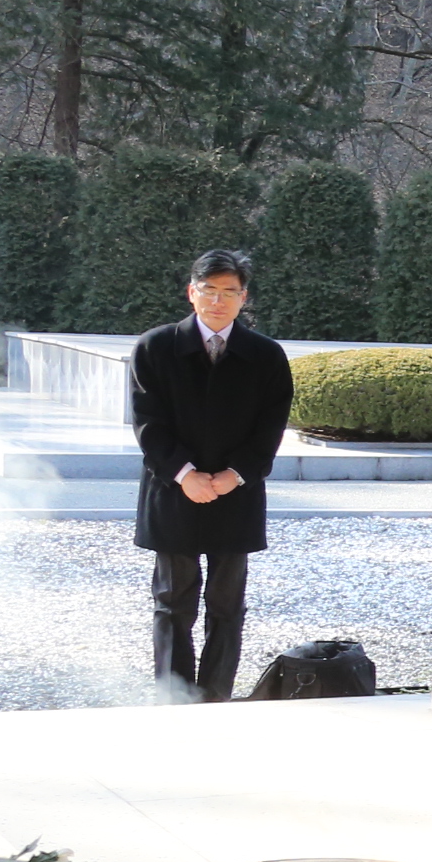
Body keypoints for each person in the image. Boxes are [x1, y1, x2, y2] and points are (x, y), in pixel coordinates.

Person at [128, 249, 291, 704]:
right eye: (209, 291)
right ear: (191, 292)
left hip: (236, 491)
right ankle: (174, 697)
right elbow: (147, 423)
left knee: (226, 604)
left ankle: (215, 696)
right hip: (173, 488)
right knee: (172, 600)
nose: (218, 301)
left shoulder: (265, 356)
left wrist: (233, 475)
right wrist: (185, 475)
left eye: (229, 292)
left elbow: (269, 429)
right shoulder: (155, 348)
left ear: (244, 298)